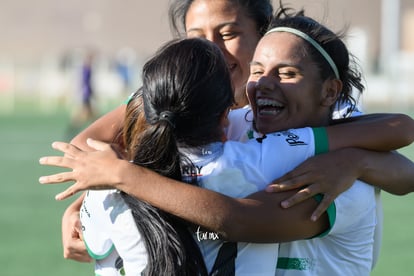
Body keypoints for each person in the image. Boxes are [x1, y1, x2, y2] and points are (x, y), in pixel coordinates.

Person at [40, 9, 414, 276]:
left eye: (228, 33)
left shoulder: (334, 174)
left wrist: (359, 165)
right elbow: (108, 136)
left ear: (260, 33)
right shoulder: (237, 123)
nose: (213, 50)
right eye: (197, 38)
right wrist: (86, 203)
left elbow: (240, 220)